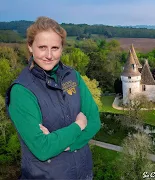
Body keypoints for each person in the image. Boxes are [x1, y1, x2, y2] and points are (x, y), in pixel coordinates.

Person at [5, 16, 101, 179]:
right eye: (42, 47)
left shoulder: (73, 77)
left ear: (62, 48)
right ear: (30, 46)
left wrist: (63, 144)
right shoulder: (22, 90)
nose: (49, 55)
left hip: (84, 174)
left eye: (55, 48)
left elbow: (94, 122)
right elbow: (43, 149)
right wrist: (78, 126)